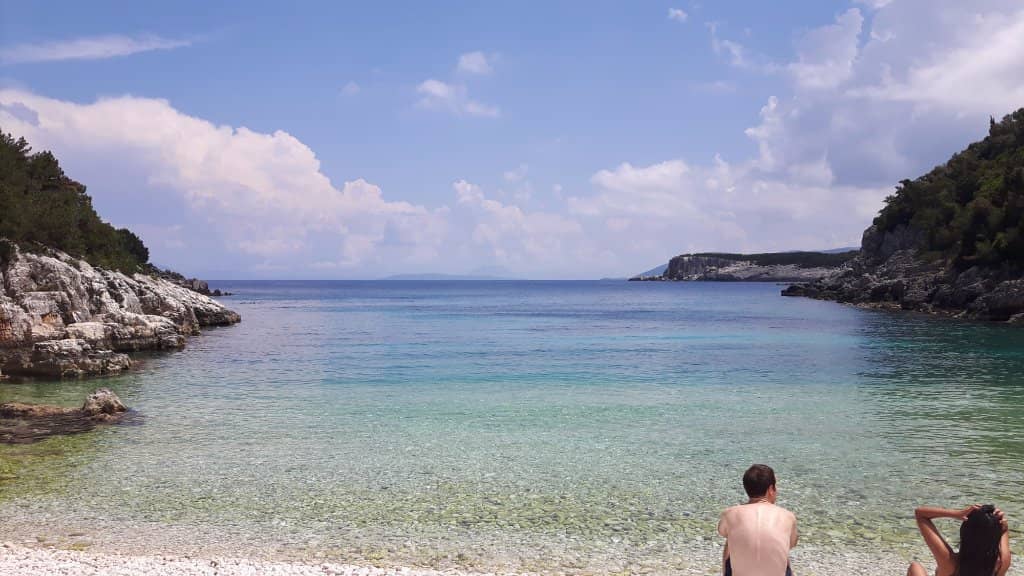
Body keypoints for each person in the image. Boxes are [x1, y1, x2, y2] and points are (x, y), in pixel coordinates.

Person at [717, 464, 798, 576]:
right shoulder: (788, 516)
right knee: (781, 547)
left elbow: (722, 532)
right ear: (770, 489)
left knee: (730, 539)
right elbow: (791, 544)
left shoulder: (729, 513)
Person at [908, 504, 1011, 576]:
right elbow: (1004, 530)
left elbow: (920, 514)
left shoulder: (950, 562)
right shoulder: (1002, 562)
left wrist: (956, 514)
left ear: (965, 532)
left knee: (915, 567)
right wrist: (1000, 524)